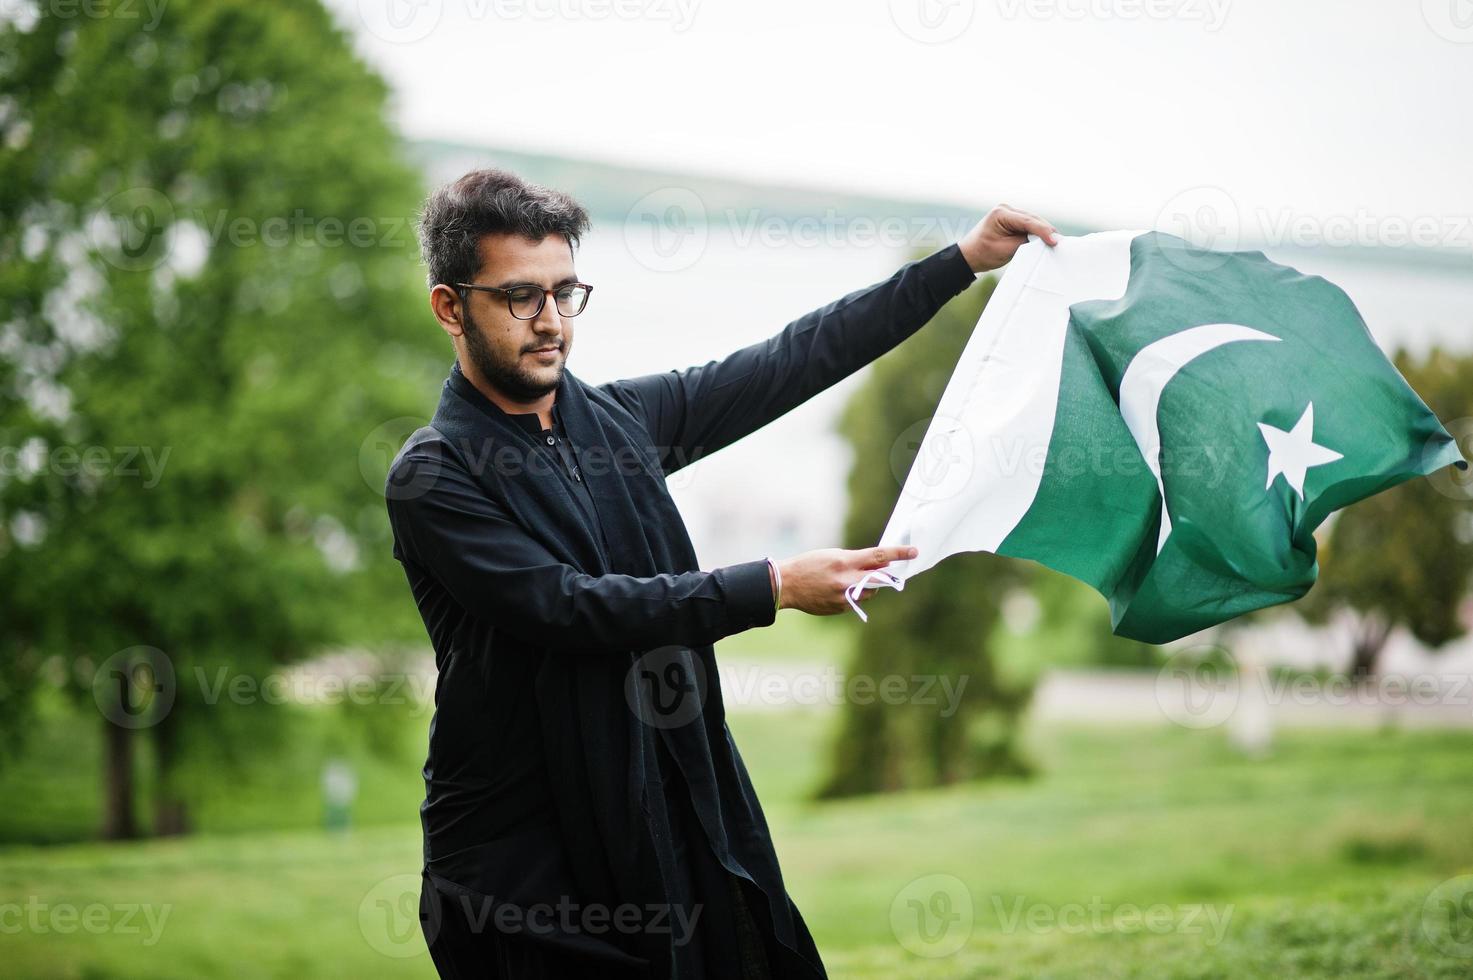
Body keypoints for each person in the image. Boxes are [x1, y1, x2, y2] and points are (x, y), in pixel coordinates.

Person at [386, 168, 1056, 978]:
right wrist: (771, 586)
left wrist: (958, 262)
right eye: (520, 298)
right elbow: (567, 608)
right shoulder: (434, 475)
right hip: (520, 861)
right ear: (450, 307)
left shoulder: (621, 422)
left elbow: (790, 360)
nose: (552, 322)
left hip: (664, 801)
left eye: (566, 293)